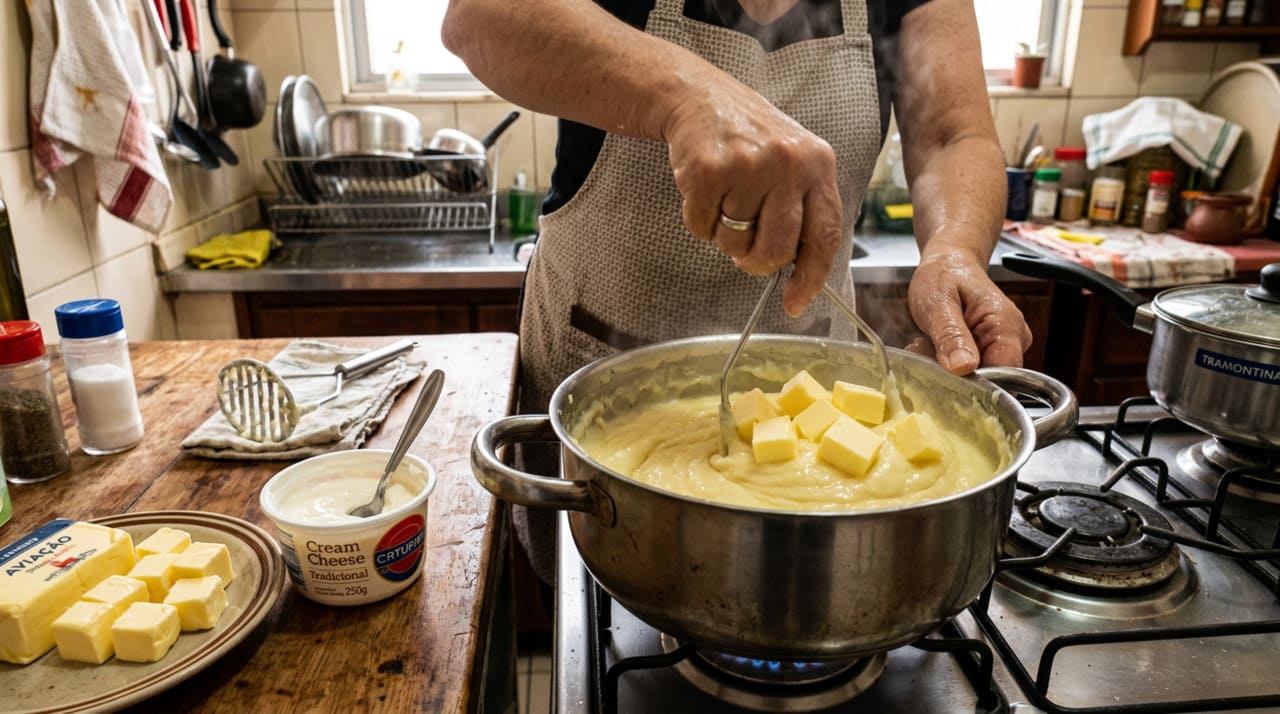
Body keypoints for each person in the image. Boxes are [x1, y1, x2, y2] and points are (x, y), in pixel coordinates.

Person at [443, 0, 1033, 584]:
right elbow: (478, 18)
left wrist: (954, 250)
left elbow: (954, 135)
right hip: (598, 354)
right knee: (597, 601)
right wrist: (686, 93)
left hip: (819, 361)